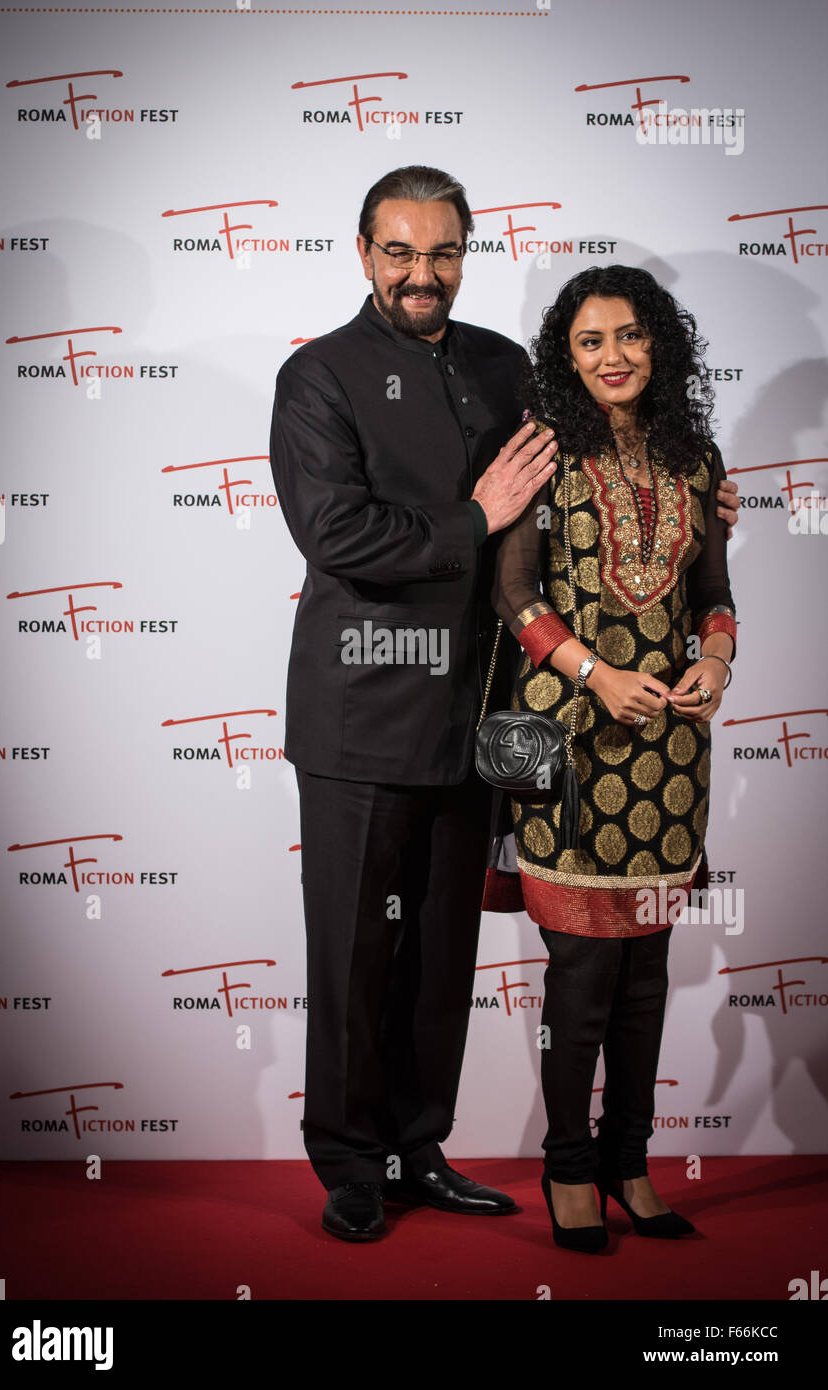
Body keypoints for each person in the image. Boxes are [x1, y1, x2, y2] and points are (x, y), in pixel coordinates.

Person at [269, 170, 741, 1243]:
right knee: (352, 956)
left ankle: (415, 1146)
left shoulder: (497, 364)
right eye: (399, 253)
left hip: (485, 717)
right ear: (362, 254)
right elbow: (336, 535)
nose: (420, 274)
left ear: (464, 252)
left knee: (439, 957)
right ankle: (348, 1162)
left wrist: (703, 495)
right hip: (359, 714)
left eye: (441, 253)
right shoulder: (317, 378)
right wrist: (473, 515)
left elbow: (601, 439)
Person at [487, 265, 736, 1252]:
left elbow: (709, 592)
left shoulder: (693, 459)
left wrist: (714, 655)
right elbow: (514, 597)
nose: (612, 356)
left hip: (670, 753)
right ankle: (568, 1168)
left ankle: (632, 1163)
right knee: (580, 981)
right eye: (589, 341)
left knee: (645, 980)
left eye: (629, 336)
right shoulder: (540, 456)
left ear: (658, 346)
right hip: (571, 743)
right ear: (565, 355)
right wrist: (594, 673)